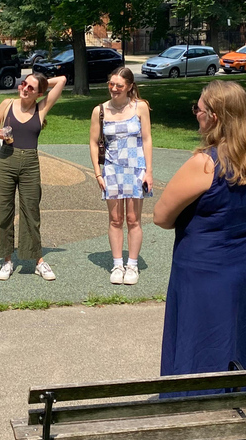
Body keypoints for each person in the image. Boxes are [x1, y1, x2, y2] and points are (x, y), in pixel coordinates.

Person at [153, 81, 246, 440]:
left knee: (205, 353)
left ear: (216, 116)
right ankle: (234, 438)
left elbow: (162, 216)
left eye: (200, 108)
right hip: (245, 268)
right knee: (240, 348)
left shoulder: (206, 163)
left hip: (205, 273)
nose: (196, 113)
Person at [0, 73, 67, 281]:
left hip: (30, 163)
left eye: (31, 88)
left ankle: (37, 260)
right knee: (4, 211)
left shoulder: (41, 108)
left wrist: (40, 82)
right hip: (5, 161)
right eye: (23, 83)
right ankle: (7, 260)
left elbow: (63, 80)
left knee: (31, 211)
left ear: (39, 93)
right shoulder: (7, 104)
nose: (25, 88)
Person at [89, 67, 153, 285]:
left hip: (136, 169)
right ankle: (117, 264)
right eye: (111, 84)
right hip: (112, 170)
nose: (114, 89)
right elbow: (92, 141)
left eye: (119, 85)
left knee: (133, 220)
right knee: (115, 220)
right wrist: (98, 173)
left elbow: (147, 139)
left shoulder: (140, 107)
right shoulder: (100, 110)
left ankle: (132, 265)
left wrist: (149, 171)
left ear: (129, 87)